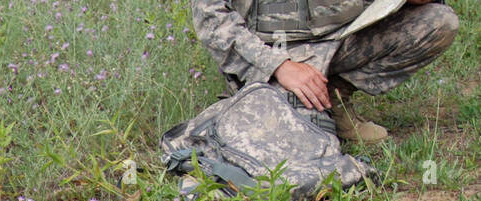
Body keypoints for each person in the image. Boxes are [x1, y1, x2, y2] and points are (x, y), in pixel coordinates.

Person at [192, 0, 460, 143]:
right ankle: (290, 100)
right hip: (275, 53)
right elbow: (212, 19)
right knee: (289, 146)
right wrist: (277, 66)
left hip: (344, 37)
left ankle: (335, 95)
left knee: (438, 22)